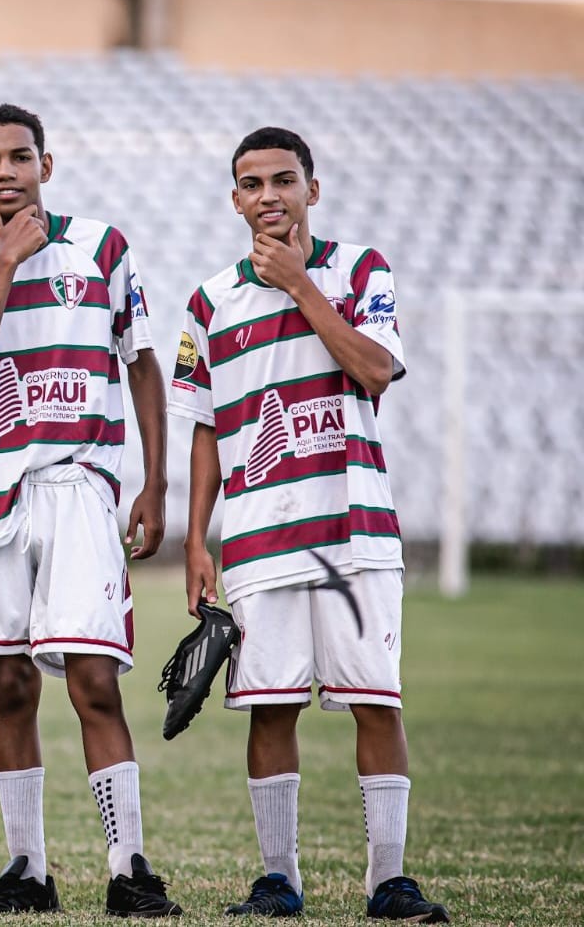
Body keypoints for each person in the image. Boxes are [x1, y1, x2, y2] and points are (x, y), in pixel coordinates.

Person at [169, 127, 448, 922]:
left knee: (376, 701)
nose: (269, 196)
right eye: (252, 183)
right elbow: (201, 427)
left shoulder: (361, 270)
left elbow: (372, 369)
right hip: (259, 537)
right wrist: (197, 539)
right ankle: (277, 880)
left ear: (311, 190)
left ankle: (388, 882)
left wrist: (299, 285)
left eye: (283, 180)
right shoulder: (208, 301)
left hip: (356, 531)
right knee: (271, 706)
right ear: (234, 199)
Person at [0, 104, 181, 917]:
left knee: (94, 681)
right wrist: (5, 261)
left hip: (78, 487)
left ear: (47, 164)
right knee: (9, 685)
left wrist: (155, 481)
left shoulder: (102, 246)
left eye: (20, 157)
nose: (6, 172)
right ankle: (27, 869)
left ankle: (128, 866)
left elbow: (141, 363)